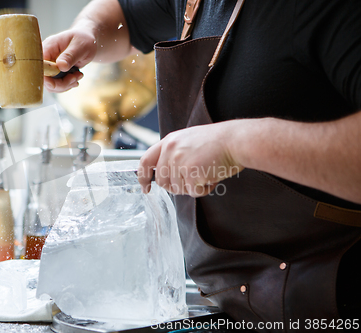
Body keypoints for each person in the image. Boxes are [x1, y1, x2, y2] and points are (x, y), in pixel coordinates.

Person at [42, 0, 361, 327]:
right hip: (232, 308)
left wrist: (236, 144)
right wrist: (88, 31)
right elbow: (120, 14)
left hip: (332, 306)